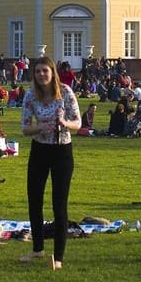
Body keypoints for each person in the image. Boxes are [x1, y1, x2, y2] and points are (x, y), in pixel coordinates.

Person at [19, 56, 81, 269]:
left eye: (45, 71)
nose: (42, 75)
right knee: (34, 199)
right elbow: (25, 128)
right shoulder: (30, 95)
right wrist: (40, 127)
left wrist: (65, 123)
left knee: (59, 204)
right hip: (40, 149)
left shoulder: (65, 92)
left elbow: (78, 122)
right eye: (38, 72)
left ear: (52, 72)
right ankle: (37, 249)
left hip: (62, 150)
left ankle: (59, 257)